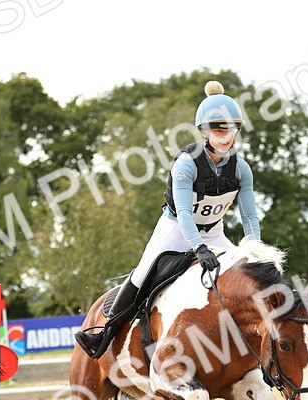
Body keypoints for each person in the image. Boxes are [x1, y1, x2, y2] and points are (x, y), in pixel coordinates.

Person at [75, 80, 262, 359]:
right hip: (176, 228)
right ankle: (104, 334)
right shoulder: (187, 163)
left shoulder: (241, 169)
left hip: (214, 231)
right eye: (218, 129)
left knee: (246, 274)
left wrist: (255, 251)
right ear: (204, 131)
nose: (226, 136)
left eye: (231, 129)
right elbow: (185, 214)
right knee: (142, 273)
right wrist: (199, 248)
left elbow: (249, 216)